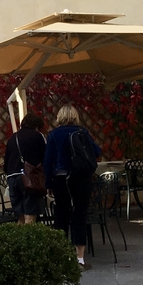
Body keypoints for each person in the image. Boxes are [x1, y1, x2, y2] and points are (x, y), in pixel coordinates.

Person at [44, 105, 101, 270]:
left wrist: (48, 184)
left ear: (59, 117)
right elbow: (96, 151)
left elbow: (48, 162)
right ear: (76, 116)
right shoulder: (82, 133)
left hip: (61, 179)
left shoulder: (54, 135)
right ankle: (80, 259)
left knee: (61, 215)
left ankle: (60, 258)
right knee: (79, 215)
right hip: (82, 178)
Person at [3, 113, 47, 224]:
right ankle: (29, 241)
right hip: (30, 179)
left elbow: (6, 162)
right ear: (37, 126)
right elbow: (45, 157)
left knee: (20, 217)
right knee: (30, 216)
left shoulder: (13, 138)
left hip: (12, 178)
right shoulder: (38, 136)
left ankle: (19, 240)